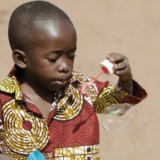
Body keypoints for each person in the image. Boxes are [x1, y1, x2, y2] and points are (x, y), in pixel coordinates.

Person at [0, 1, 147, 160]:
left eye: (71, 56)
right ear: (21, 59)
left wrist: (125, 79)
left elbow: (119, 105)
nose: (65, 66)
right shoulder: (3, 100)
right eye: (53, 58)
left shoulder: (83, 88)